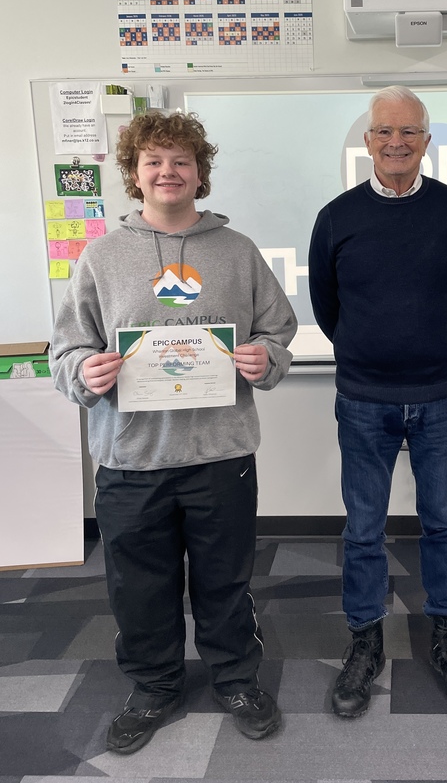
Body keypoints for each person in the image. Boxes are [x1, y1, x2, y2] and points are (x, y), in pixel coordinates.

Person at [50, 110, 297, 754]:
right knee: (139, 584)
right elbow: (65, 352)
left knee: (226, 578)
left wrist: (265, 358)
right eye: (154, 161)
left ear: (199, 173)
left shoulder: (237, 251)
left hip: (220, 453)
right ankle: (155, 685)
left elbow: (280, 331)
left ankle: (235, 677)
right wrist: (88, 370)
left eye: (181, 161)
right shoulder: (101, 256)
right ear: (135, 173)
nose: (168, 172)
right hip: (131, 458)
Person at [308, 86, 447, 717]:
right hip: (363, 397)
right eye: (384, 131)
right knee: (364, 529)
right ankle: (364, 641)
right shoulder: (336, 217)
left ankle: (446, 637)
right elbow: (328, 311)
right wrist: (372, 350)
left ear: (426, 142)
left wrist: (424, 346)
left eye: (408, 132)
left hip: (439, 394)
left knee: (442, 522)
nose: (395, 142)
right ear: (367, 141)